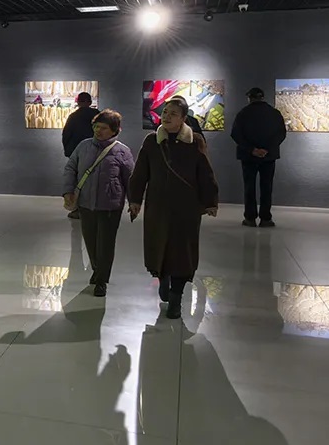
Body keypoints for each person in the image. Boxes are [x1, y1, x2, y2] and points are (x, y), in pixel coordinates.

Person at [128, 98, 219, 319]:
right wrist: (135, 200)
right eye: (165, 112)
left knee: (182, 251)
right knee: (159, 245)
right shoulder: (152, 141)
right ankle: (163, 278)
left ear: (183, 119)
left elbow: (205, 172)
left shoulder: (194, 141)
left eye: (173, 114)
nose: (167, 116)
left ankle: (176, 298)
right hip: (157, 206)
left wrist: (210, 201)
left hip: (186, 207)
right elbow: (140, 172)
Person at [61, 109, 135, 297]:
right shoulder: (84, 146)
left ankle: (101, 280)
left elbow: (130, 179)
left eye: (103, 128)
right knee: (91, 242)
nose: (98, 131)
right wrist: (68, 191)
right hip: (86, 204)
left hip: (110, 205)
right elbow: (71, 168)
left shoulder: (122, 151)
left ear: (115, 130)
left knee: (106, 244)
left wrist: (134, 201)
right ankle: (97, 269)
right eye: (96, 127)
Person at [230, 87, 287, 227]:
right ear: (262, 97)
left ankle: (250, 218)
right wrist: (267, 149)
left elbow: (236, 134)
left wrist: (252, 150)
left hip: (248, 157)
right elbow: (281, 134)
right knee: (267, 187)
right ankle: (266, 218)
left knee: (249, 188)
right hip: (269, 157)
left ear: (249, 98)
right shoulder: (274, 113)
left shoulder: (243, 113)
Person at [61, 91, 97, 219]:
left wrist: (68, 152)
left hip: (77, 154)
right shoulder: (98, 115)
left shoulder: (73, 116)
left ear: (78, 102)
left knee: (78, 182)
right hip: (96, 153)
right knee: (95, 180)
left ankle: (78, 209)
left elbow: (66, 135)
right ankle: (94, 209)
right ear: (90, 102)